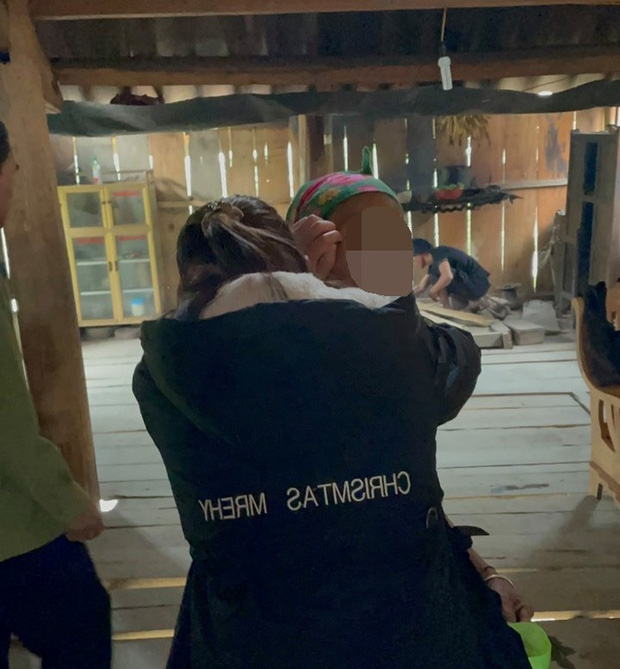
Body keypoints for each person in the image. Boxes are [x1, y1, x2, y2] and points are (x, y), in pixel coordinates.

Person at [134, 184, 531, 667]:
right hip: (405, 635)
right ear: (307, 263)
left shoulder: (162, 372)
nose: (382, 260)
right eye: (359, 244)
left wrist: (297, 294)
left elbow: (392, 492)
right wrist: (318, 301)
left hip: (244, 640)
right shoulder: (391, 347)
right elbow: (450, 359)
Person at [0, 121, 111, 669]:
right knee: (81, 625)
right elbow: (7, 419)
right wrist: (68, 501)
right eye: (12, 167)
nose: (15, 180)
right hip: (11, 528)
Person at [412, 238, 491, 311]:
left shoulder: (439, 253)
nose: (413, 261)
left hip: (478, 284)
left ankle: (476, 300)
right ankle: (448, 308)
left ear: (420, 253)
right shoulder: (434, 264)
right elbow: (421, 287)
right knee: (435, 277)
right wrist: (407, 298)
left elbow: (447, 276)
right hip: (471, 285)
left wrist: (433, 291)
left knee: (439, 277)